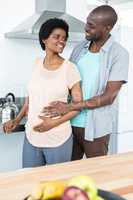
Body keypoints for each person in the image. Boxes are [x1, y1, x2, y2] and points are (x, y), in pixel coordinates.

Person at [42, 5, 129, 160]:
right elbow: (67, 81)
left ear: (107, 28)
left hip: (95, 129)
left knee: (96, 175)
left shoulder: (119, 54)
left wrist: (69, 107)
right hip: (68, 123)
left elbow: (108, 97)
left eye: (92, 26)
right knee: (68, 172)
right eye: (87, 23)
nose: (86, 28)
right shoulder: (80, 47)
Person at [3, 18, 82, 167]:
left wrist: (53, 123)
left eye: (64, 38)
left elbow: (78, 106)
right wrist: (17, 120)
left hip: (58, 137)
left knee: (56, 187)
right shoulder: (37, 63)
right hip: (32, 137)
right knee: (30, 183)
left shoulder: (70, 68)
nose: (62, 41)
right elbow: (30, 99)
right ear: (44, 39)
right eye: (57, 37)